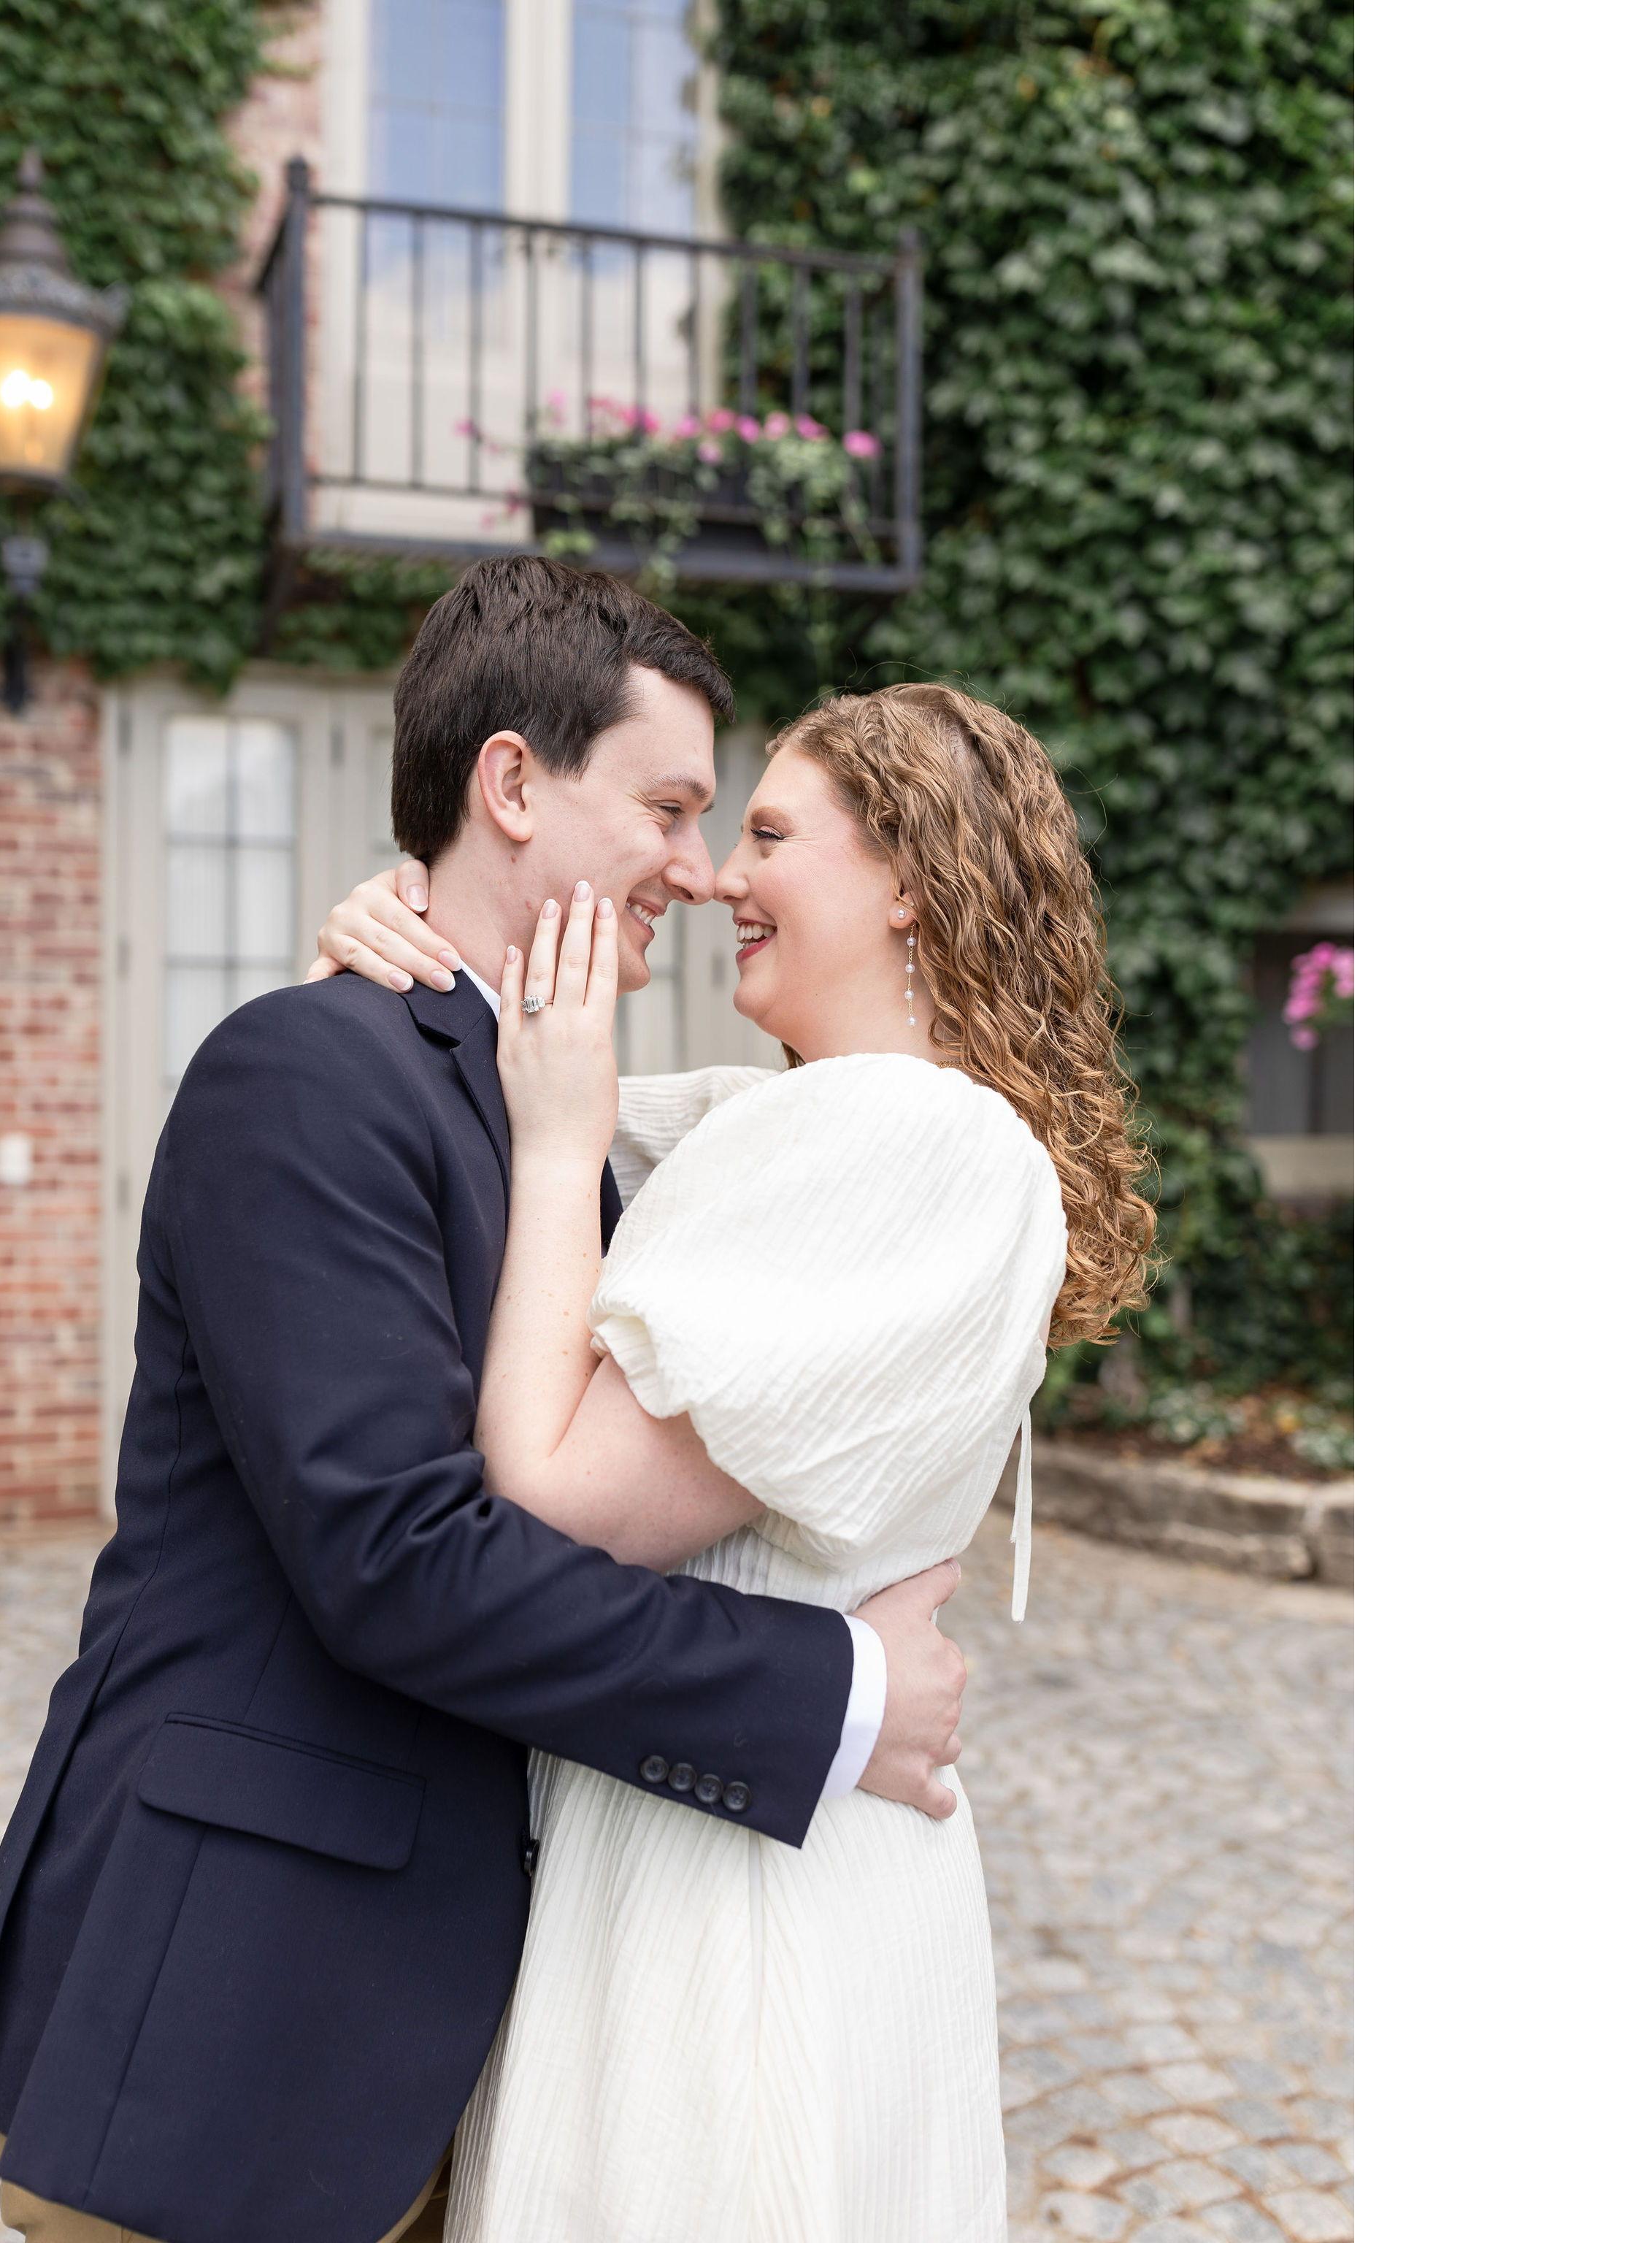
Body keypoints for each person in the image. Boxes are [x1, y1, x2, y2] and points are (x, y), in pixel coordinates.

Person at [0, 558, 975, 2243]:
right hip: (236, 2020)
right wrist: (837, 1696)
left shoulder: (567, 1115)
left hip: (441, 2049)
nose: (698, 869)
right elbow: (400, 1561)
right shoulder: (306, 1074)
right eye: (668, 807)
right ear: (512, 785)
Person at [312, 680, 1156, 2241]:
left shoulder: (913, 1142)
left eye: (769, 834)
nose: (716, 878)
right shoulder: (780, 1126)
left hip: (737, 1903)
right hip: (715, 1829)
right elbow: (459, 1088)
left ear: (908, 877)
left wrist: (560, 1146)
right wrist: (396, 928)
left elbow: (553, 1501)